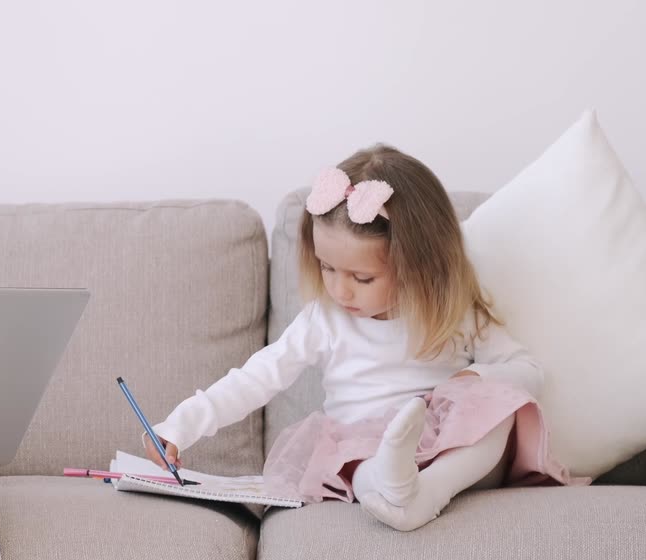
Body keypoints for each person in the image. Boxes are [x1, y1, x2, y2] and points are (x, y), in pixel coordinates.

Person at [144, 144, 583, 531]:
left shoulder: (454, 314)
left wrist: (476, 379)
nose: (340, 290)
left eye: (362, 277)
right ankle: (391, 485)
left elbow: (528, 372)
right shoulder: (325, 319)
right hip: (362, 447)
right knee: (360, 464)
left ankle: (428, 493)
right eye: (328, 269)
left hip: (446, 448)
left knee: (501, 411)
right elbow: (256, 377)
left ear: (420, 267)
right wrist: (180, 425)